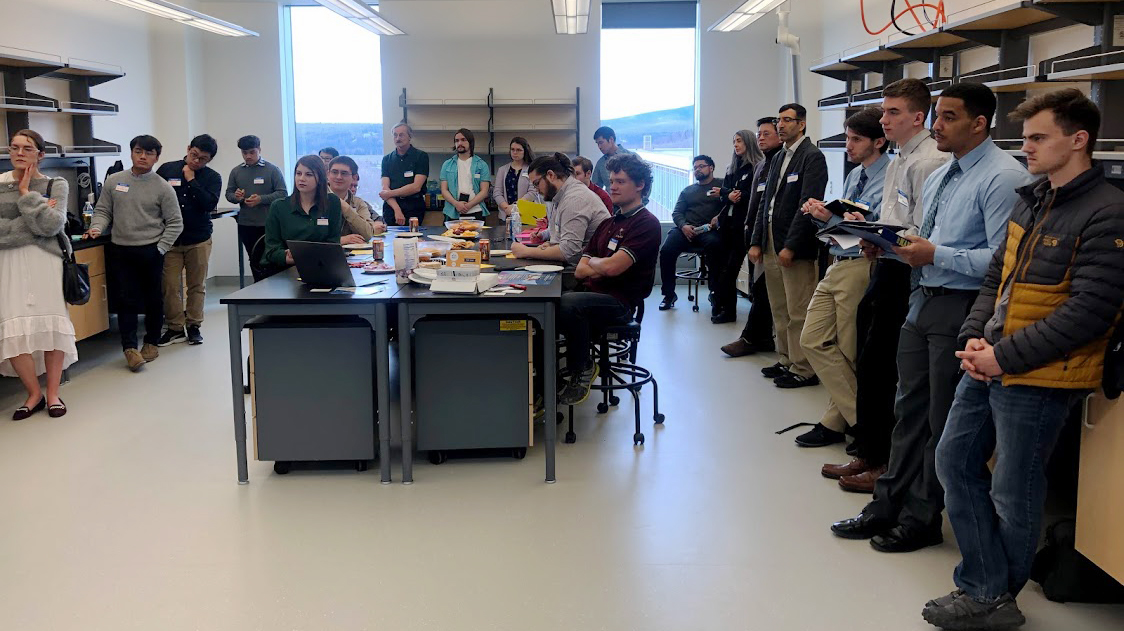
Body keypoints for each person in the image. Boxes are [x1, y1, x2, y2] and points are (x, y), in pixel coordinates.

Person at [923, 89, 1124, 631]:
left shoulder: (1108, 210)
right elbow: (997, 278)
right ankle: (989, 589)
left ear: (1078, 139)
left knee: (1014, 488)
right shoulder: (1033, 196)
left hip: (1039, 374)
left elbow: (1090, 311)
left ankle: (988, 595)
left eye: (1038, 138)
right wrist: (974, 339)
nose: (1026, 148)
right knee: (954, 462)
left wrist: (1003, 357)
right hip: (989, 360)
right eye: (1026, 137)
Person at [830, 83, 1034, 554]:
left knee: (940, 421)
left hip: (960, 307)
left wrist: (933, 253)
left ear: (979, 123)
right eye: (936, 115)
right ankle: (887, 504)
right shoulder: (946, 174)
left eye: (947, 117)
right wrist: (888, 245)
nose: (935, 125)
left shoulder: (1002, 177)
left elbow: (1005, 262)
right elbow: (919, 235)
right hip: (922, 298)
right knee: (909, 411)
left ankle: (922, 518)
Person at [825, 78, 948, 492]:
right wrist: (873, 235)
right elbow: (897, 218)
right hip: (887, 263)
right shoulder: (900, 156)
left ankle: (883, 461)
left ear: (918, 116)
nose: (884, 119)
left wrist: (883, 238)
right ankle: (870, 451)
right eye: (883, 111)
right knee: (870, 359)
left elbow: (923, 229)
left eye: (892, 112)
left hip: (907, 274)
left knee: (884, 367)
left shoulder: (928, 161)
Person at [795, 108, 890, 448]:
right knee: (812, 339)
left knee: (849, 350)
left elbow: (880, 230)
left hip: (862, 266)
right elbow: (845, 228)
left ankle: (839, 423)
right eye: (847, 138)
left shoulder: (891, 176)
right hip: (839, 260)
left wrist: (842, 220)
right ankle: (860, 420)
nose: (848, 146)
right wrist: (823, 217)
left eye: (856, 139)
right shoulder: (854, 176)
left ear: (879, 141)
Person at [559, 152, 662, 405]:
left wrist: (597, 264)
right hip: (594, 294)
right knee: (548, 304)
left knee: (567, 303)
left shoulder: (646, 224)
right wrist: (599, 265)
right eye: (612, 181)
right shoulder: (608, 223)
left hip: (619, 303)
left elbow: (614, 268)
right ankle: (545, 384)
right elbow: (582, 269)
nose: (613, 186)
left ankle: (583, 367)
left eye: (621, 181)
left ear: (640, 185)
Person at [86, 135, 183, 372]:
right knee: (125, 300)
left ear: (156, 158)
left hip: (151, 250)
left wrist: (160, 249)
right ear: (132, 153)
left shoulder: (162, 187)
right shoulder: (114, 181)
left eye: (149, 153)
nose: (143, 156)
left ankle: (150, 342)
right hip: (121, 249)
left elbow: (175, 223)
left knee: (152, 299)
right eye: (139, 151)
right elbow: (103, 210)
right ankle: (129, 348)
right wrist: (97, 227)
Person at [749, 103, 829, 389]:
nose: (780, 125)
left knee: (798, 309)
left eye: (787, 120)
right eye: (779, 120)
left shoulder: (812, 156)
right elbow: (764, 204)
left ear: (802, 124)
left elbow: (807, 205)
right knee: (778, 306)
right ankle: (786, 358)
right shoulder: (779, 156)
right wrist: (757, 240)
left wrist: (792, 246)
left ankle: (804, 367)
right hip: (771, 238)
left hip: (795, 245)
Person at [0, 129, 77, 419]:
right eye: (14, 147)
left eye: (27, 148)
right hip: (8, 263)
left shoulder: (56, 184)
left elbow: (53, 226)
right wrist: (35, 220)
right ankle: (33, 394)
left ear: (40, 155)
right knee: (14, 327)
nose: (19, 153)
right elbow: (36, 227)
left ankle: (54, 392)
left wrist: (25, 195)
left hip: (46, 262)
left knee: (51, 326)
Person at [720, 118, 782, 353]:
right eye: (759, 134)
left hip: (772, 237)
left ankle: (754, 337)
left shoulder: (778, 162)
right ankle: (761, 337)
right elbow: (758, 203)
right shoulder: (762, 165)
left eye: (766, 133)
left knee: (764, 289)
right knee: (759, 288)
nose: (761, 138)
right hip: (752, 231)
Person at [155, 134, 222, 348]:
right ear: (188, 148)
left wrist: (192, 180)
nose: (196, 161)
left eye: (202, 158)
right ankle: (175, 327)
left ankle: (194, 325)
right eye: (194, 155)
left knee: (196, 285)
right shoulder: (167, 170)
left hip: (198, 238)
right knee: (170, 285)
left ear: (209, 160)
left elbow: (208, 204)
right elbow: (154, 198)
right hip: (171, 239)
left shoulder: (212, 177)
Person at [709, 127, 767, 323]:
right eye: (734, 141)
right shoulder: (732, 169)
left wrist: (731, 195)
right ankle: (726, 309)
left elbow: (751, 197)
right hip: (728, 225)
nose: (736, 145)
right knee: (724, 268)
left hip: (745, 227)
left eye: (739, 141)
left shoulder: (757, 167)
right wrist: (727, 195)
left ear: (749, 143)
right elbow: (727, 196)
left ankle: (743, 314)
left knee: (733, 269)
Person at [512, 153, 610, 266]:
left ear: (550, 175)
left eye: (537, 184)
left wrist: (526, 252)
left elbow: (569, 252)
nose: (537, 190)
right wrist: (551, 244)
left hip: (588, 271)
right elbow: (561, 236)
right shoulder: (561, 196)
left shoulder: (574, 199)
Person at [656, 155, 725, 310]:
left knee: (716, 246)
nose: (697, 169)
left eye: (701, 166)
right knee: (666, 251)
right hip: (686, 230)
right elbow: (677, 213)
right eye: (695, 167)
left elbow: (731, 206)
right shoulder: (688, 191)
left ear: (711, 168)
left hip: (709, 230)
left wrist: (719, 217)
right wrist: (683, 226)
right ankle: (668, 295)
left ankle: (715, 293)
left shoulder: (721, 186)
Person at [261, 155, 343, 269]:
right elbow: (271, 250)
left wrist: (308, 255)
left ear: (320, 178)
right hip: (286, 269)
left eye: (308, 174)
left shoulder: (332, 203)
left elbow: (333, 243)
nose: (301, 179)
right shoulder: (279, 206)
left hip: (321, 266)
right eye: (298, 173)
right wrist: (285, 256)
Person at [226, 135, 287, 281]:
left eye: (252, 152)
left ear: (259, 150)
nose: (248, 156)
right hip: (246, 224)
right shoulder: (236, 172)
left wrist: (261, 199)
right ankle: (258, 290)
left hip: (268, 225)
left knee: (271, 259)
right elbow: (229, 194)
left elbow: (283, 193)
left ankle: (275, 292)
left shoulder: (272, 170)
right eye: (244, 153)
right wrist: (237, 197)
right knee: (254, 260)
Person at [380, 122, 429, 227]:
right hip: (391, 207)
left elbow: (416, 187)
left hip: (413, 207)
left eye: (401, 135)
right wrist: (397, 210)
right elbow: (385, 188)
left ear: (410, 136)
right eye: (395, 135)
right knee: (391, 240)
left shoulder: (421, 157)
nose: (398, 138)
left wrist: (390, 193)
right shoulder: (387, 160)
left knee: (412, 240)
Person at [326, 155, 381, 244]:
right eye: (335, 172)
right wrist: (341, 240)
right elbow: (309, 236)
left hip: (354, 255)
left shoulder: (358, 203)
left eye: (344, 173)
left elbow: (368, 234)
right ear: (328, 174)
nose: (339, 177)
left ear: (354, 178)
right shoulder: (316, 199)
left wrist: (345, 207)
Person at [439, 128, 492, 220]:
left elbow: (484, 191)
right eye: (457, 140)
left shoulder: (481, 165)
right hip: (453, 212)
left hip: (476, 211)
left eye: (463, 140)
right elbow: (444, 190)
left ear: (470, 142)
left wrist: (468, 205)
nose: (459, 143)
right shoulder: (447, 164)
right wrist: (457, 204)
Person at [492, 137, 538, 222]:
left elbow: (532, 192)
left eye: (519, 150)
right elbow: (497, 192)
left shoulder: (531, 169)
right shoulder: (502, 170)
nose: (515, 152)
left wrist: (515, 207)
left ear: (525, 151)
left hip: (525, 216)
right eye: (512, 149)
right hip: (506, 215)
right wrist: (507, 208)